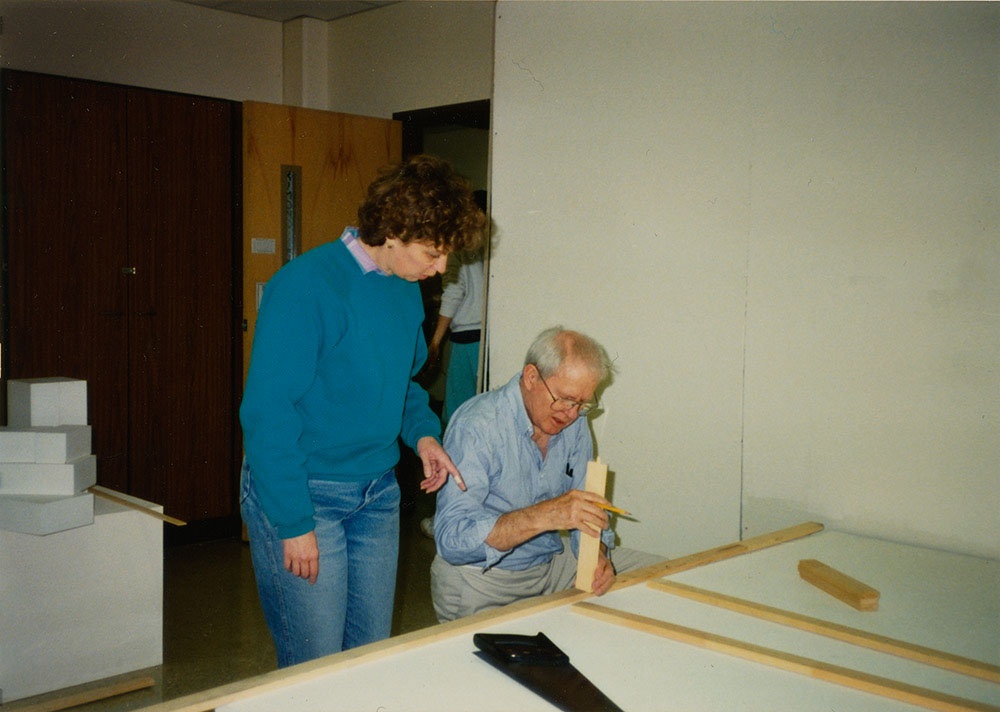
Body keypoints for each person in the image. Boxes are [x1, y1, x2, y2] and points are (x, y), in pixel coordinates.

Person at [240, 154, 486, 667]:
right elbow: (268, 413)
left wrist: (423, 435)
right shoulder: (306, 286)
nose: (441, 269)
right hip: (307, 492)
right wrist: (293, 522)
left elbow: (402, 387)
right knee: (315, 669)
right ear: (393, 231)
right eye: (433, 253)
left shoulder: (405, 291)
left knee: (368, 661)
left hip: (376, 494)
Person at [430, 327, 660, 622]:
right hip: (482, 580)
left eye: (582, 403)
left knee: (661, 576)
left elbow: (587, 510)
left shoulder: (574, 419)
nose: (571, 414)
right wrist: (547, 515)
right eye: (565, 399)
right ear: (531, 377)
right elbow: (452, 540)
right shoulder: (478, 425)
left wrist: (597, 555)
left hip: (549, 566)